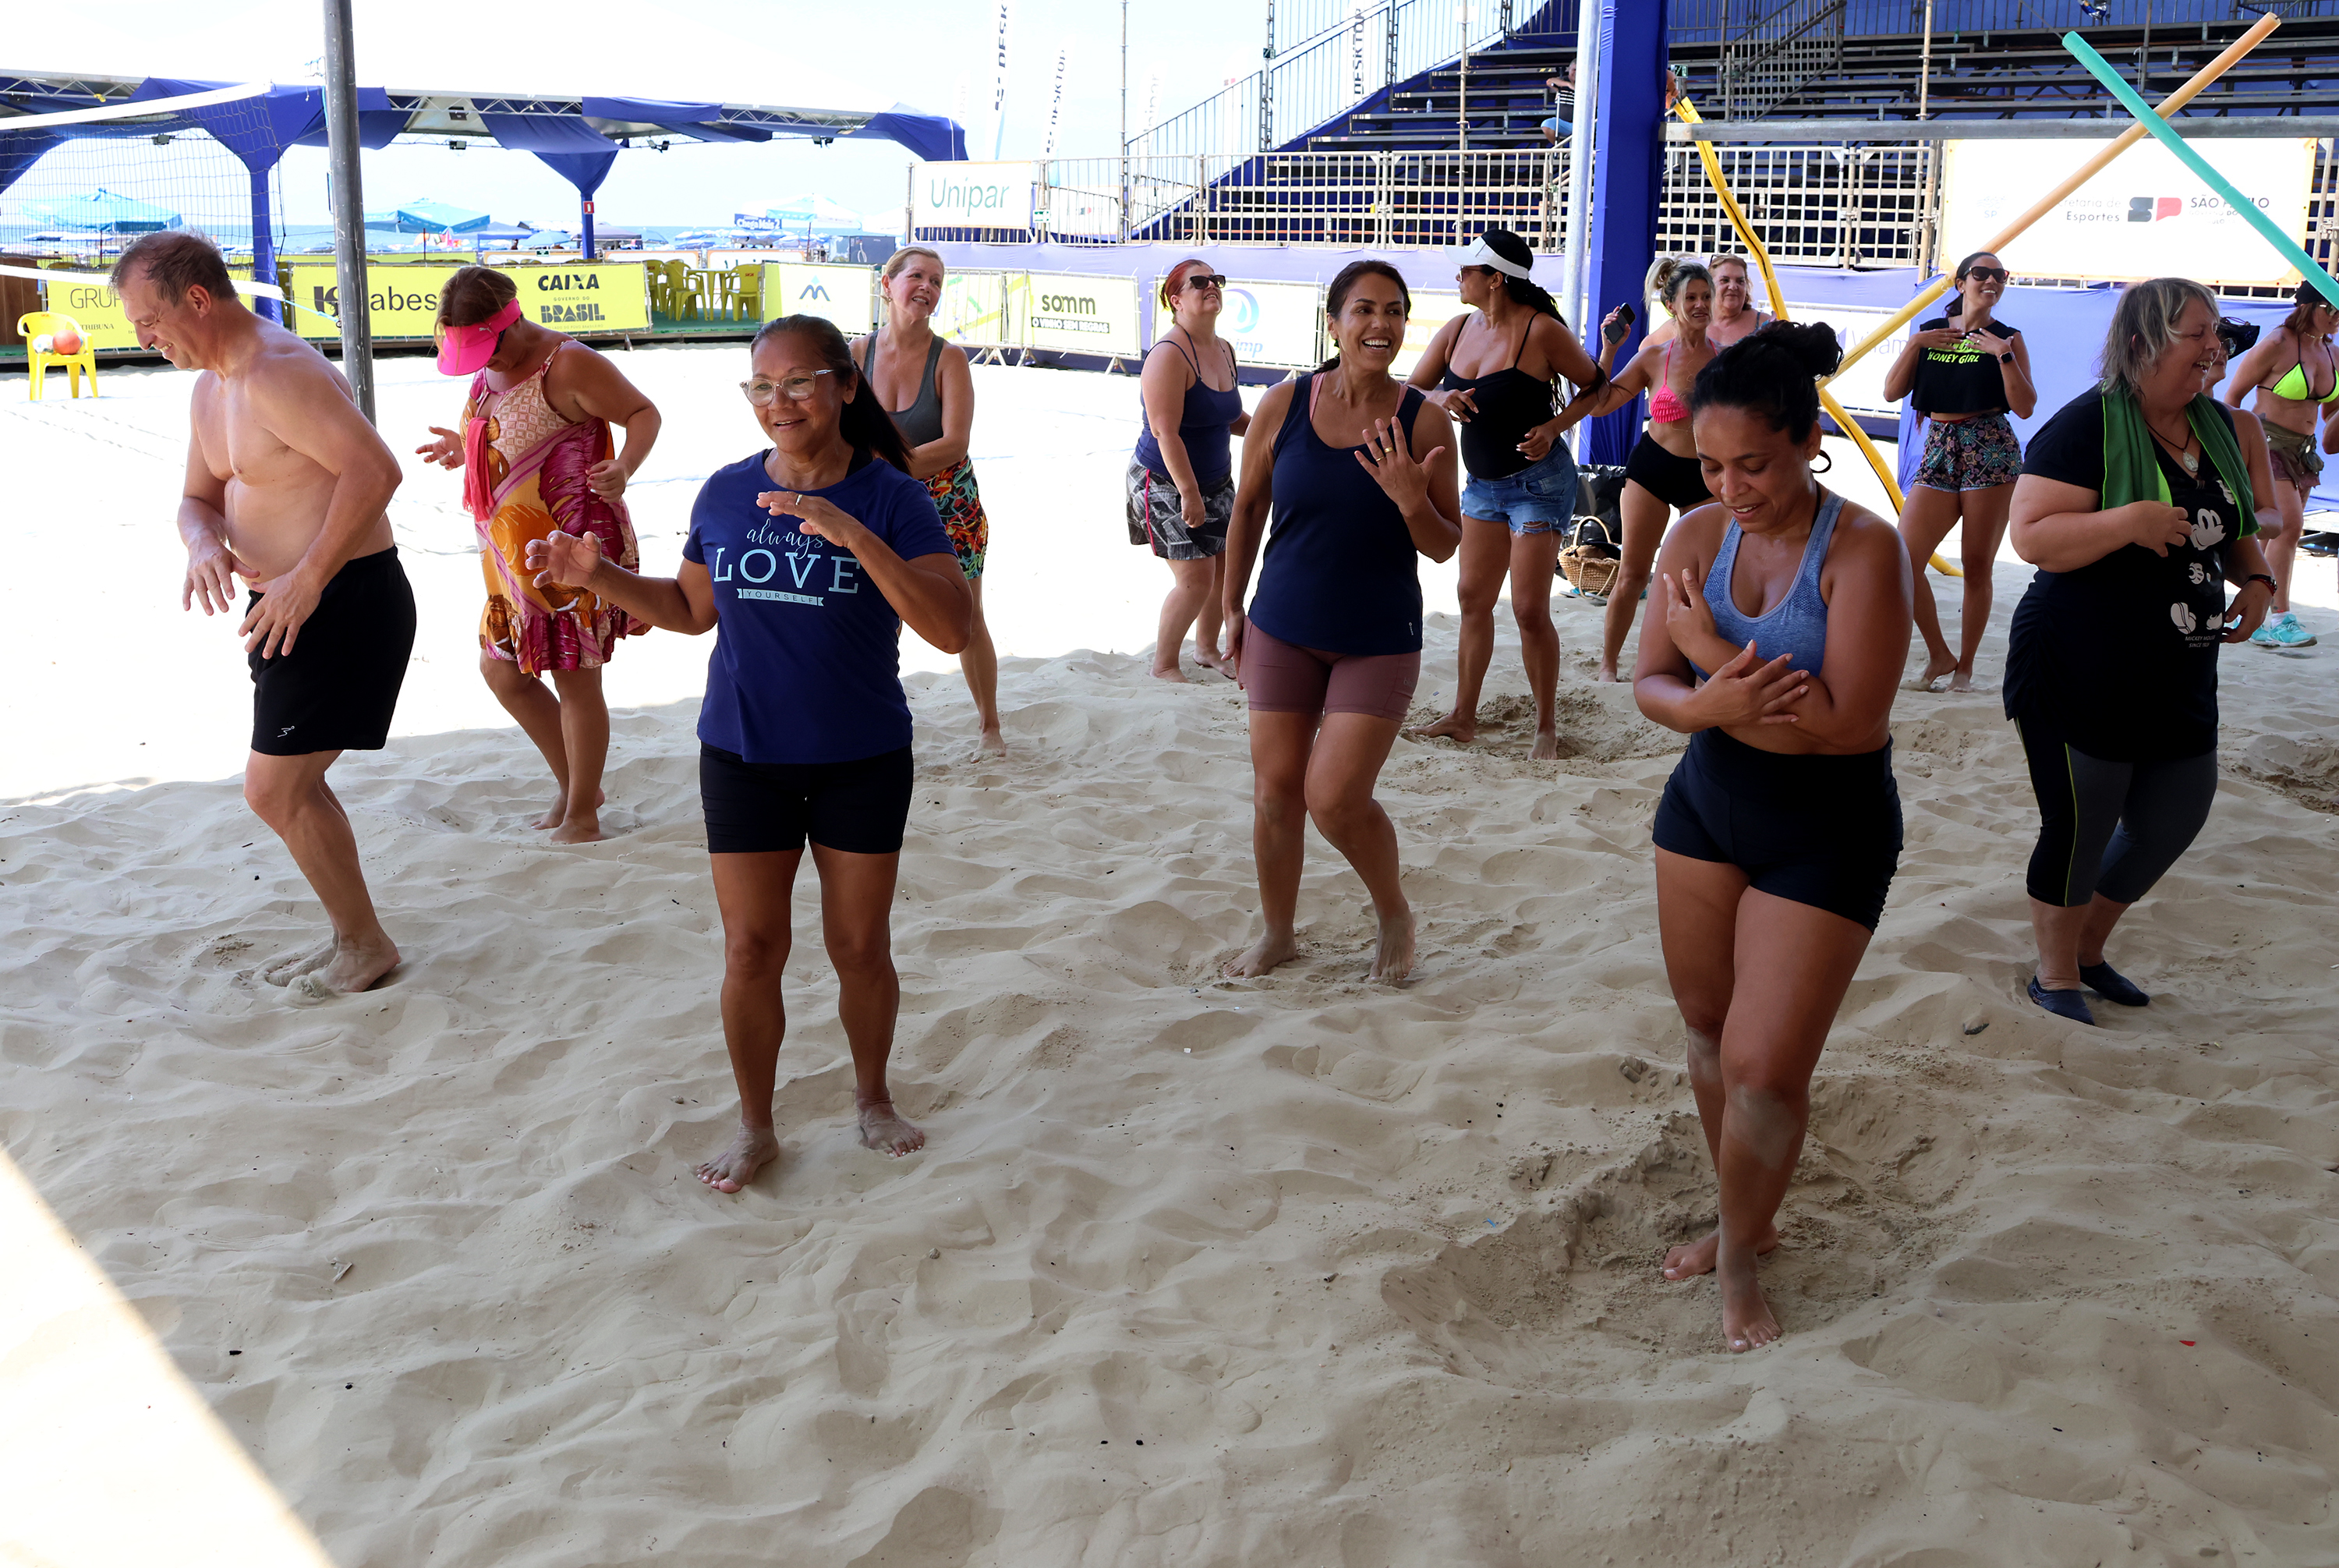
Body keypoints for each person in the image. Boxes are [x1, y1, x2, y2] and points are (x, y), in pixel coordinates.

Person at [525, 316, 974, 1191]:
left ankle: (873, 1098)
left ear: (846, 386)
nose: (780, 402)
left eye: (800, 382)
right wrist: (598, 577)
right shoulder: (727, 493)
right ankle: (756, 1125)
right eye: (762, 387)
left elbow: (952, 627)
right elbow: (693, 611)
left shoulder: (893, 496)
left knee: (859, 947)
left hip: (861, 754)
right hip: (742, 752)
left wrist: (850, 533)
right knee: (749, 951)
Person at [1633, 321, 1913, 1353]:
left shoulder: (1864, 548)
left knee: (1763, 1068)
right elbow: (1650, 683)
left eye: (1753, 462)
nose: (1731, 486)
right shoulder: (1696, 535)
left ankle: (1742, 1259)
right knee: (1708, 1032)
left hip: (1828, 826)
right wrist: (1704, 704)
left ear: (1809, 441)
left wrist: (1711, 657)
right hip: (1706, 805)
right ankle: (1740, 1216)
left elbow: (1847, 721)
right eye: (1712, 465)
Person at [117, 230, 413, 1003]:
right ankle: (354, 936)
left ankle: (365, 943)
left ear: (196, 299)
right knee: (293, 783)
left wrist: (306, 579)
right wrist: (201, 545)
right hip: (282, 607)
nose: (142, 339)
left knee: (275, 789)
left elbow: (377, 470)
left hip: (342, 599)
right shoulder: (211, 387)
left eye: (148, 321)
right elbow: (196, 498)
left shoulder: (276, 371)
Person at [2006, 278, 2277, 1025]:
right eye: (2198, 334)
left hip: (2180, 661)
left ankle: (2089, 947)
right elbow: (2031, 536)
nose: (2216, 347)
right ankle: (2056, 971)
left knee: (2173, 815)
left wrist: (2256, 577)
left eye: (2216, 332)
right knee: (2081, 822)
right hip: (2080, 660)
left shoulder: (2219, 426)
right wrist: (2126, 521)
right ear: (2141, 343)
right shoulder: (2085, 424)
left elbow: (2231, 524)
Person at [1220, 260, 1463, 983]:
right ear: (1334, 323)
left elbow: (1445, 544)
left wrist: (1410, 500)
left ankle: (1393, 911)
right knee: (1275, 793)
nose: (1380, 324)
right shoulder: (1285, 403)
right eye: (1364, 310)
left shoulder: (1424, 418)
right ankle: (1278, 932)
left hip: (1377, 637)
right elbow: (1248, 508)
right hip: (1282, 624)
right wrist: (1230, 606)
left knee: (1333, 797)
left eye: (1394, 311)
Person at [416, 266, 661, 843]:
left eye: (485, 348)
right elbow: (508, 431)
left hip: (570, 545)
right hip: (509, 555)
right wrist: (464, 447)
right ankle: (578, 786)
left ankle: (582, 814)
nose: (483, 362)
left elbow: (643, 413)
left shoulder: (568, 364)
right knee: (502, 672)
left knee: (575, 678)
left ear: (510, 321)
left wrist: (625, 466)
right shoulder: (490, 367)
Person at [1407, 228, 1605, 758]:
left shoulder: (1541, 330)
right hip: (1483, 485)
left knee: (1529, 609)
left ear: (1495, 279)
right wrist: (1440, 397)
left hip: (1538, 484)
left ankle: (1546, 727)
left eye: (1468, 270)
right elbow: (1410, 388)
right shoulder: (1457, 329)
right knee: (1473, 598)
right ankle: (1463, 716)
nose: (1459, 277)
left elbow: (1596, 385)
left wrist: (1555, 427)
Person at [857, 246, 1005, 753]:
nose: (928, 287)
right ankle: (872, 724)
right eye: (917, 276)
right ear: (887, 284)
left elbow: (954, 443)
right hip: (880, 503)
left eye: (938, 281)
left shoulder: (950, 358)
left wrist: (882, 471)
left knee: (968, 616)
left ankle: (990, 726)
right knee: (879, 617)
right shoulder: (857, 354)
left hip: (949, 503)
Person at [1881, 250, 2036, 692]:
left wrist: (2003, 356)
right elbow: (1891, 392)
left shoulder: (2008, 338)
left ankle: (1964, 670)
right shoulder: (1931, 332)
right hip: (1940, 444)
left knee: (1976, 564)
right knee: (1903, 558)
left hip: (1990, 446)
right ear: (1961, 282)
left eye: (2000, 275)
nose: (1992, 281)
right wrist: (1915, 344)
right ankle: (1939, 655)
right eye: (1981, 273)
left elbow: (2026, 407)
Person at [1564, 257, 1718, 681]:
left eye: (1706, 296)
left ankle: (1693, 665)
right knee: (1632, 573)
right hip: (1652, 468)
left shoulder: (1725, 360)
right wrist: (1610, 349)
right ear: (1671, 304)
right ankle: (1608, 664)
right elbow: (1600, 405)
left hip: (1703, 474)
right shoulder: (1654, 356)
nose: (1701, 305)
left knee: (1701, 580)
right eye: (1691, 297)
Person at [1129, 258, 1251, 681]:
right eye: (1199, 282)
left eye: (1216, 279)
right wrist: (1190, 493)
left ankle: (1206, 649)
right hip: (1165, 480)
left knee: (1223, 570)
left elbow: (1228, 417)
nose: (1211, 285)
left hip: (1217, 479)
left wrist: (1273, 434)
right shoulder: (1168, 354)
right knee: (1196, 578)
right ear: (1175, 300)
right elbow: (1165, 432)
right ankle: (1164, 665)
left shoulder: (1224, 349)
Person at [2223, 278, 2332, 649]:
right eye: (2330, 308)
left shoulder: (2331, 351)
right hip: (2267, 443)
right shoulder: (2278, 343)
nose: (2337, 316)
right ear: (2308, 307)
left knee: (2272, 534)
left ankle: (2258, 614)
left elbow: (2331, 415)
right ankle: (2281, 616)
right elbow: (2233, 396)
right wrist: (2236, 451)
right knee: (2289, 527)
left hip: (2304, 452)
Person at [1648, 253, 1771, 350]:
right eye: (1725, 280)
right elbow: (1647, 346)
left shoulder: (1766, 324)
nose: (1733, 286)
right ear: (1710, 285)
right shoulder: (1685, 323)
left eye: (1740, 281)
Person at [1541, 65, 1574, 142]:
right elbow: (1550, 82)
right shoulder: (1563, 82)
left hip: (1583, 122)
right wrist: (1569, 85)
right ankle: (1559, 147)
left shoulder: (1588, 82)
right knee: (1547, 125)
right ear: (1569, 70)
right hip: (1563, 123)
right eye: (1574, 70)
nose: (1576, 72)